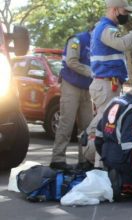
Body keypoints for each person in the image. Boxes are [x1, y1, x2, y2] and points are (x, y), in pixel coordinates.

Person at [85, 0, 132, 167]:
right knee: (104, 128)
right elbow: (125, 44)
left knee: (101, 126)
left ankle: (93, 163)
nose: (127, 14)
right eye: (125, 11)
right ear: (115, 10)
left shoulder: (105, 28)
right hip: (106, 86)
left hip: (108, 85)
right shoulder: (106, 29)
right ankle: (98, 171)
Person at [50, 30, 94, 171]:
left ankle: (85, 160)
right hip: (71, 85)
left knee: (87, 126)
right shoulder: (77, 40)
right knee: (66, 123)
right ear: (95, 29)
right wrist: (90, 71)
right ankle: (58, 159)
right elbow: (71, 61)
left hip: (87, 88)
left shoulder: (99, 44)